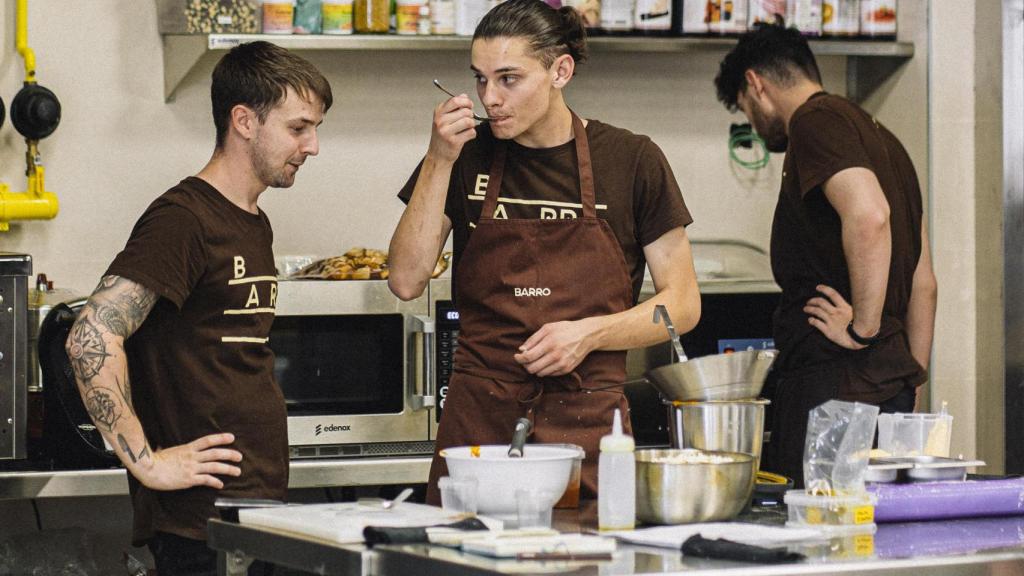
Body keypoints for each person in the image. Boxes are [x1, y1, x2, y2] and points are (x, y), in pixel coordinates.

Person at [388, 0, 701, 504]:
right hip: (479, 421)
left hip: (587, 424)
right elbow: (405, 279)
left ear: (561, 70)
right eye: (480, 79)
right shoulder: (464, 155)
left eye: (508, 78)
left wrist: (590, 333)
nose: (490, 98)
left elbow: (683, 304)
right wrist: (438, 158)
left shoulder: (631, 159)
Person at [65, 41, 331, 575]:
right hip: (200, 521)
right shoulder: (183, 218)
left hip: (252, 506)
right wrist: (148, 463)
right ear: (244, 121)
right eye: (299, 127)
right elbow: (90, 335)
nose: (314, 146)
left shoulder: (252, 218)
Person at [714, 24, 938, 486]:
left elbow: (870, 216)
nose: (754, 125)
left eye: (745, 108)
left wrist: (863, 328)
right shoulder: (884, 139)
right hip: (887, 384)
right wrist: (912, 377)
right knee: (872, 539)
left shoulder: (815, 123)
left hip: (837, 386)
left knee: (821, 532)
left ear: (757, 85)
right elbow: (924, 281)